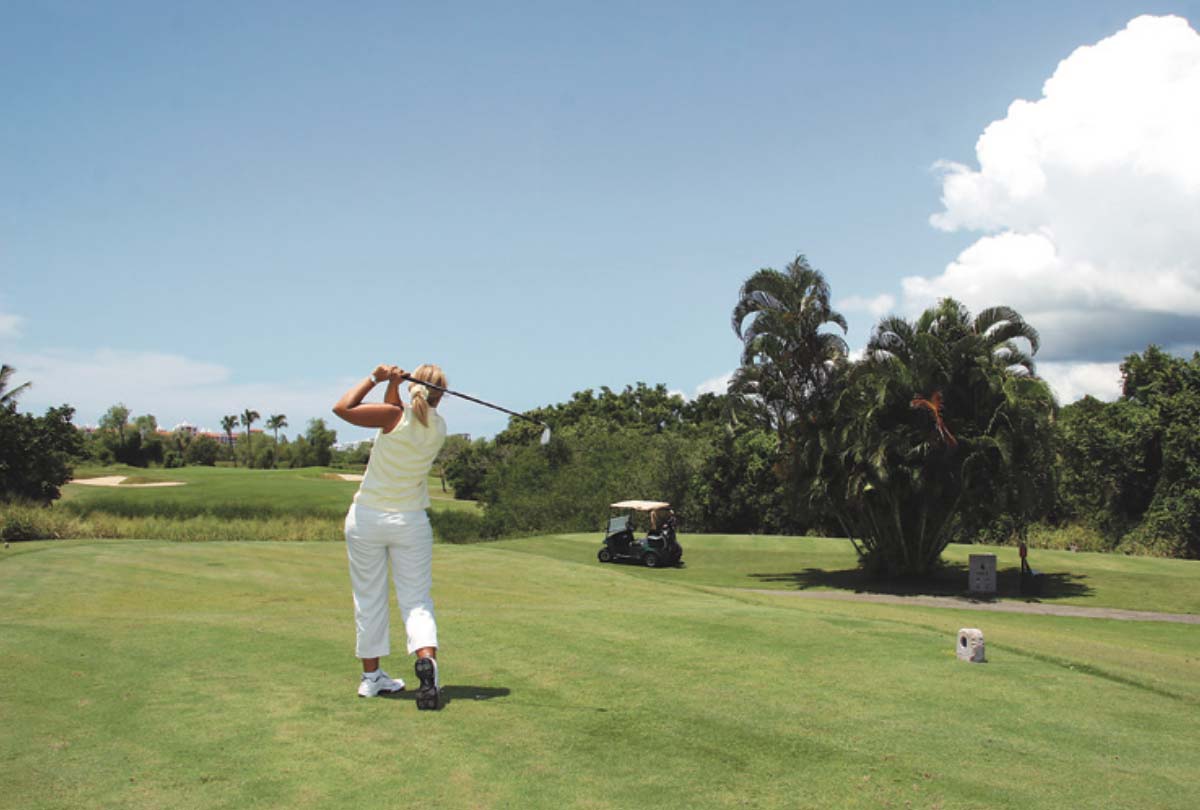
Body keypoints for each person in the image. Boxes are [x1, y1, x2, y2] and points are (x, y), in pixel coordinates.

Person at [332, 363, 448, 709]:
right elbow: (398, 412)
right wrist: (396, 387)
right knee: (416, 601)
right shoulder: (438, 426)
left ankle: (371, 678)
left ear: (413, 385)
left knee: (369, 599)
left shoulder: (392, 415)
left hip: (367, 518)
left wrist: (376, 379)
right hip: (409, 521)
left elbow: (342, 408)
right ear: (440, 395)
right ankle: (427, 662)